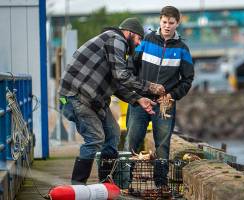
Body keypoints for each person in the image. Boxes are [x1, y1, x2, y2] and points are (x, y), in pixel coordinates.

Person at [58, 17, 166, 185]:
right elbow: (122, 75)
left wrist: (138, 100)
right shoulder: (116, 39)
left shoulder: (113, 44)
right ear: (130, 33)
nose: (138, 44)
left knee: (113, 133)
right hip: (74, 97)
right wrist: (150, 87)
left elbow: (116, 85)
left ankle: (106, 184)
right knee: (95, 138)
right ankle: (77, 186)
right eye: (138, 39)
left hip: (93, 100)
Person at [124, 6, 194, 187]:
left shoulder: (182, 49)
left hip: (165, 104)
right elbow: (131, 67)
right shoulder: (146, 41)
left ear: (177, 23)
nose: (167, 26)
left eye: (171, 23)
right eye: (164, 22)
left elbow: (187, 79)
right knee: (132, 140)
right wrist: (135, 93)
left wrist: (172, 95)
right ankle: (123, 182)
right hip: (140, 101)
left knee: (162, 145)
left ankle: (161, 185)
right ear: (160, 21)